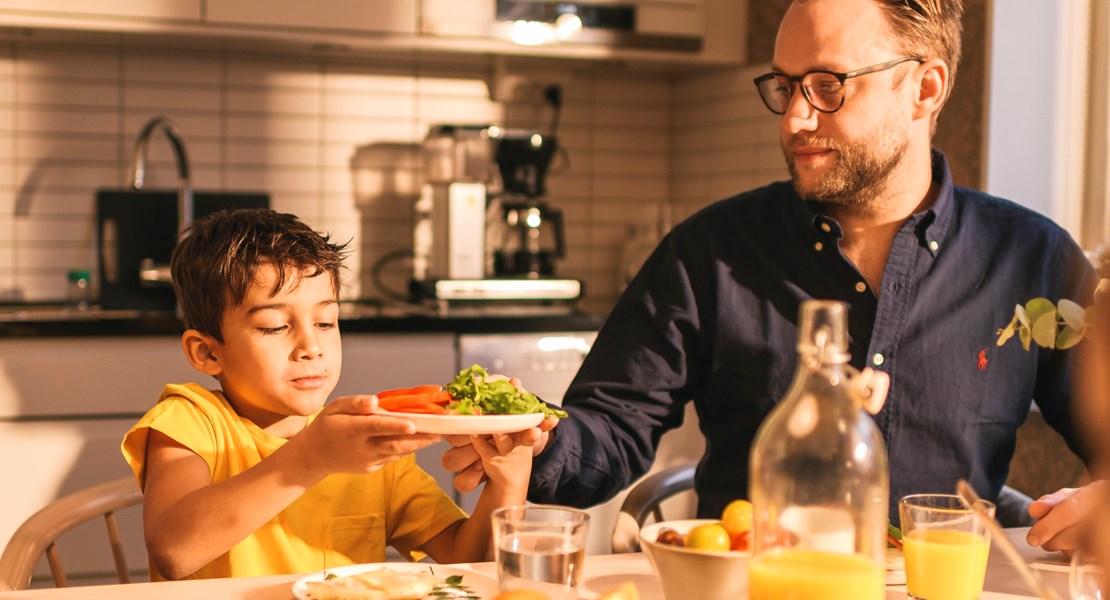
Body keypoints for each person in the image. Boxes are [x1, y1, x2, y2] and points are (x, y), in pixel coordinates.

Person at [443, 0, 1101, 553]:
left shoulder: (1031, 260)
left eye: (828, 86)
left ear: (925, 88)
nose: (794, 120)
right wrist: (531, 441)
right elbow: (609, 431)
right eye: (786, 87)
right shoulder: (711, 253)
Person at [121, 208, 534, 580]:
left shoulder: (369, 447)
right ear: (207, 352)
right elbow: (173, 553)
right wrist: (311, 458)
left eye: (325, 322)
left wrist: (509, 478)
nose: (311, 347)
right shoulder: (190, 421)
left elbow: (470, 562)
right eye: (274, 326)